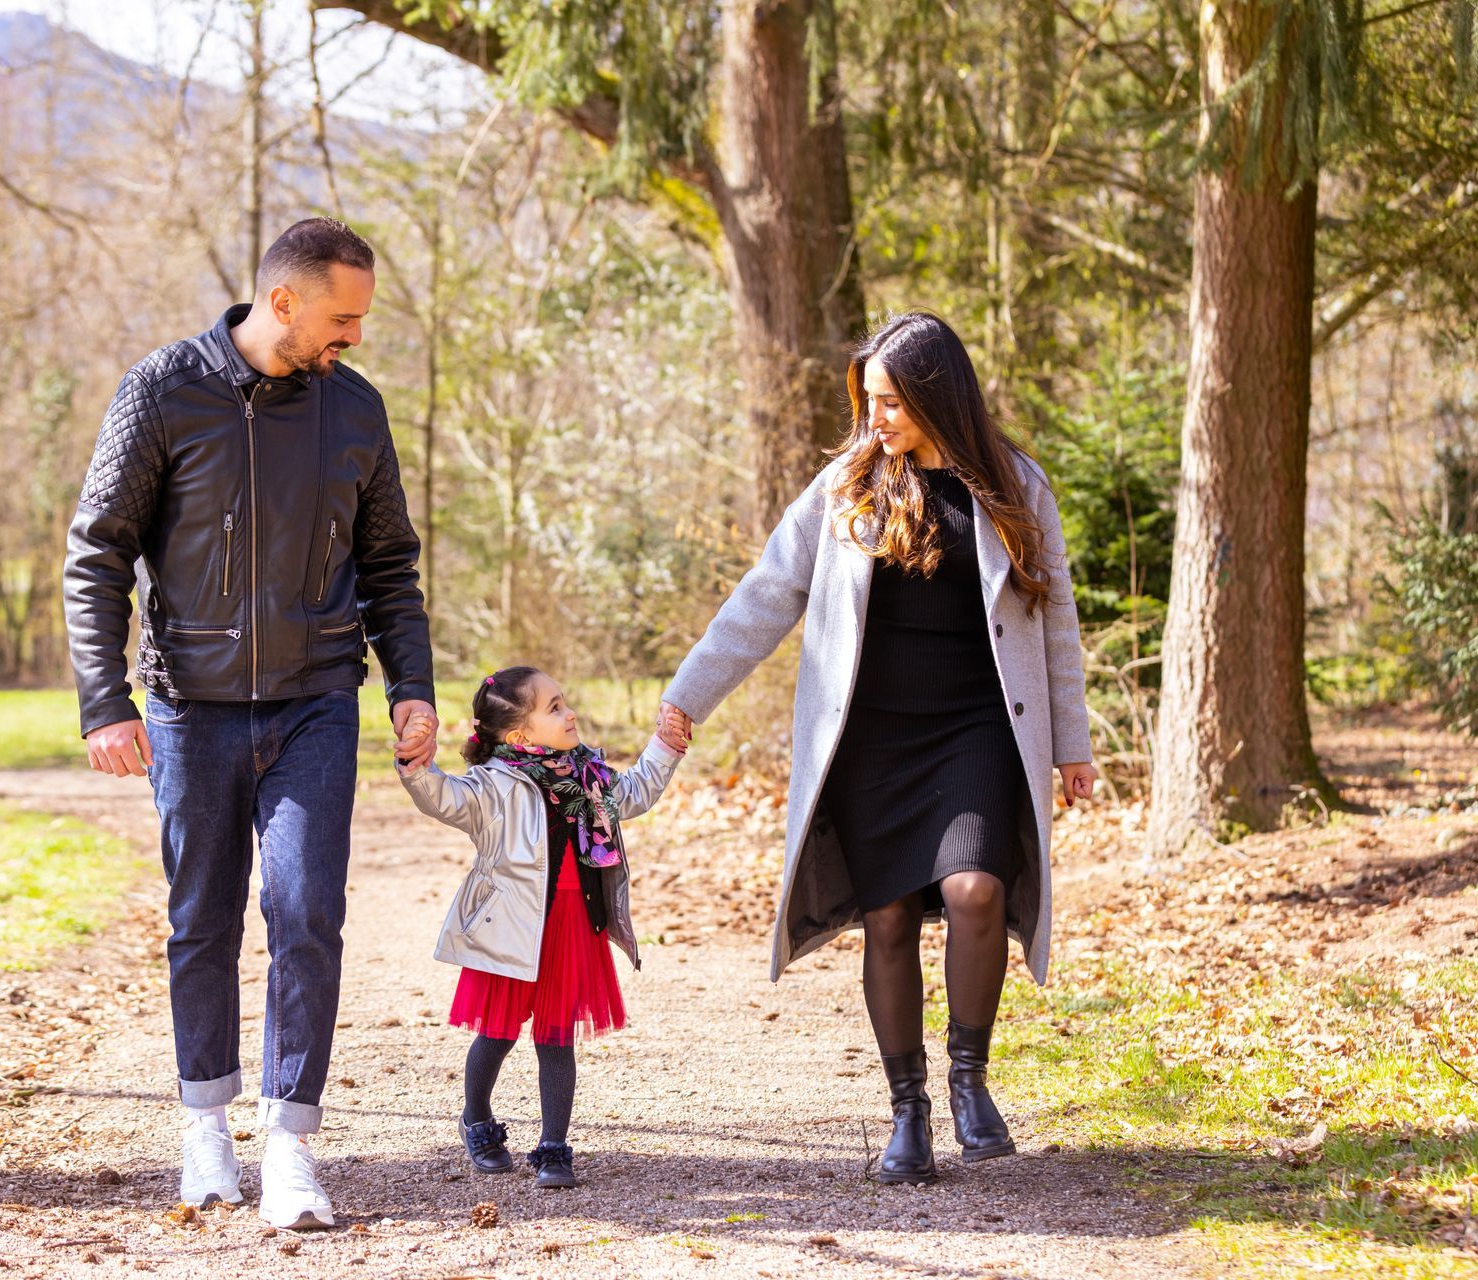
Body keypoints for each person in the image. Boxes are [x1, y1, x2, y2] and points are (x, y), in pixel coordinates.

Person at [62, 216, 439, 1229]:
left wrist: (414, 683)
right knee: (204, 918)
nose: (354, 336)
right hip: (190, 707)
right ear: (283, 302)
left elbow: (391, 563)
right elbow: (97, 551)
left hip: (318, 700)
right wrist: (106, 698)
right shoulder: (162, 391)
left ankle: (290, 1143)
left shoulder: (355, 411)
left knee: (307, 908)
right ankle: (203, 1127)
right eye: (342, 317)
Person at [659, 311, 1096, 1185]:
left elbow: (1054, 624)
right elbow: (763, 598)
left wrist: (1071, 741)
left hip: (978, 728)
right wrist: (686, 696)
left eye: (891, 401)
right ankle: (909, 1111)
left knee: (976, 891)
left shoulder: (1015, 486)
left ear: (937, 396)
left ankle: (970, 1079)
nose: (877, 418)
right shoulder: (846, 489)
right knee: (888, 918)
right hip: (871, 741)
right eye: (870, 402)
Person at [397, 668, 690, 1188]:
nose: (569, 712)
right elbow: (443, 798)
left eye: (565, 701)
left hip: (574, 925)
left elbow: (637, 793)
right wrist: (417, 765)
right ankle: (477, 1119)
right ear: (519, 736)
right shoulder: (491, 785)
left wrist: (665, 745)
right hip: (510, 929)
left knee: (557, 1037)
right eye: (554, 707)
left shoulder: (590, 776)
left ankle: (553, 1145)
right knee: (497, 1033)